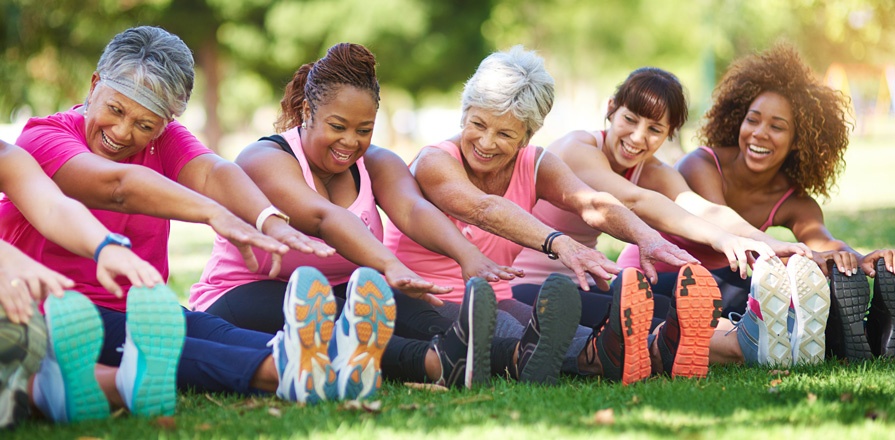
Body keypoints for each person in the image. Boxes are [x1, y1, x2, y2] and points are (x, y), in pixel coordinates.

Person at [0, 26, 374, 423]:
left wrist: (268, 220)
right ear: (94, 86)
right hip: (63, 311)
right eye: (116, 110)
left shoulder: (163, 140)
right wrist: (213, 213)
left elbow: (213, 173)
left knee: (207, 329)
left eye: (146, 124)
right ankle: (284, 372)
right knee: (174, 345)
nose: (123, 132)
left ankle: (323, 357)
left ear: (165, 123)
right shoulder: (44, 138)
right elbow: (117, 186)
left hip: (142, 305)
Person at [189, 42, 524, 391]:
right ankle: (434, 363)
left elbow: (413, 209)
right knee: (336, 316)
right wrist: (389, 264)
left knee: (408, 310)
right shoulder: (264, 159)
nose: (350, 142)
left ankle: (515, 355)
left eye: (363, 130)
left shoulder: (377, 163)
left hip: (339, 291)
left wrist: (466, 254)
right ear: (307, 110)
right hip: (240, 295)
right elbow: (323, 218)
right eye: (338, 127)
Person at [384, 46, 727, 385]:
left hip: (497, 297)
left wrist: (647, 237)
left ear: (527, 136)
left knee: (560, 331)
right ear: (464, 115)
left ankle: (652, 347)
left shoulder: (535, 163)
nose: (486, 143)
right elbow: (484, 209)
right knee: (514, 331)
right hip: (423, 299)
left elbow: (591, 202)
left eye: (505, 134)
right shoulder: (435, 162)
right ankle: (611, 355)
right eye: (478, 124)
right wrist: (559, 242)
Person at [509, 67, 808, 377]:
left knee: (663, 305)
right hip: (526, 289)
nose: (638, 137)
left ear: (669, 133)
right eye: (630, 119)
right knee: (643, 322)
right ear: (611, 108)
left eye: (654, 128)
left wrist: (767, 243)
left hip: (580, 284)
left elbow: (704, 209)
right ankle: (746, 344)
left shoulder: (653, 171)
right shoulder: (577, 149)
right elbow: (633, 200)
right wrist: (720, 239)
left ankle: (776, 336)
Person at [662, 43, 895, 365]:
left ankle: (862, 333)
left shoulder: (793, 200)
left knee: (776, 288)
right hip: (665, 275)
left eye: (777, 127)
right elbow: (722, 223)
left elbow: (822, 240)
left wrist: (858, 258)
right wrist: (807, 258)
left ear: (799, 140)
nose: (759, 134)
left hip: (727, 284)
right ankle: (828, 332)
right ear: (738, 120)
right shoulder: (701, 164)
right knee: (766, 285)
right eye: (753, 120)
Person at [0, 140, 162, 429]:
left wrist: (105, 247)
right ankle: (47, 390)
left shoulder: (5, 155)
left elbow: (53, 207)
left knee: (22, 331)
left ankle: (116, 382)